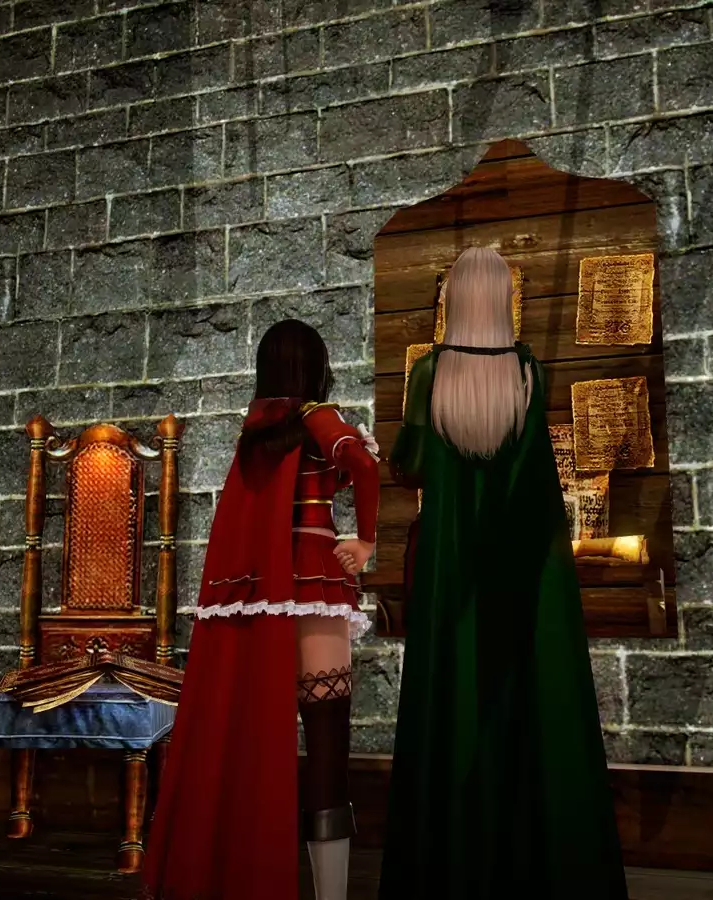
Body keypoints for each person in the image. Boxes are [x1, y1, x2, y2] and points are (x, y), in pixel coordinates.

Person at [378, 247, 628, 899]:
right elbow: (532, 478)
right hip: (515, 563)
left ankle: (449, 860)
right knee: (520, 699)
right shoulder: (526, 371)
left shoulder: (430, 371)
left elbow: (411, 462)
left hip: (450, 560)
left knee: (450, 690)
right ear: (502, 299)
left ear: (455, 298)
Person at [143, 319, 380, 900]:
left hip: (262, 595)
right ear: (316, 367)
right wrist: (366, 540)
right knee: (327, 744)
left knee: (255, 736)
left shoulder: (257, 431)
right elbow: (364, 467)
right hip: (314, 584)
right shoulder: (317, 416)